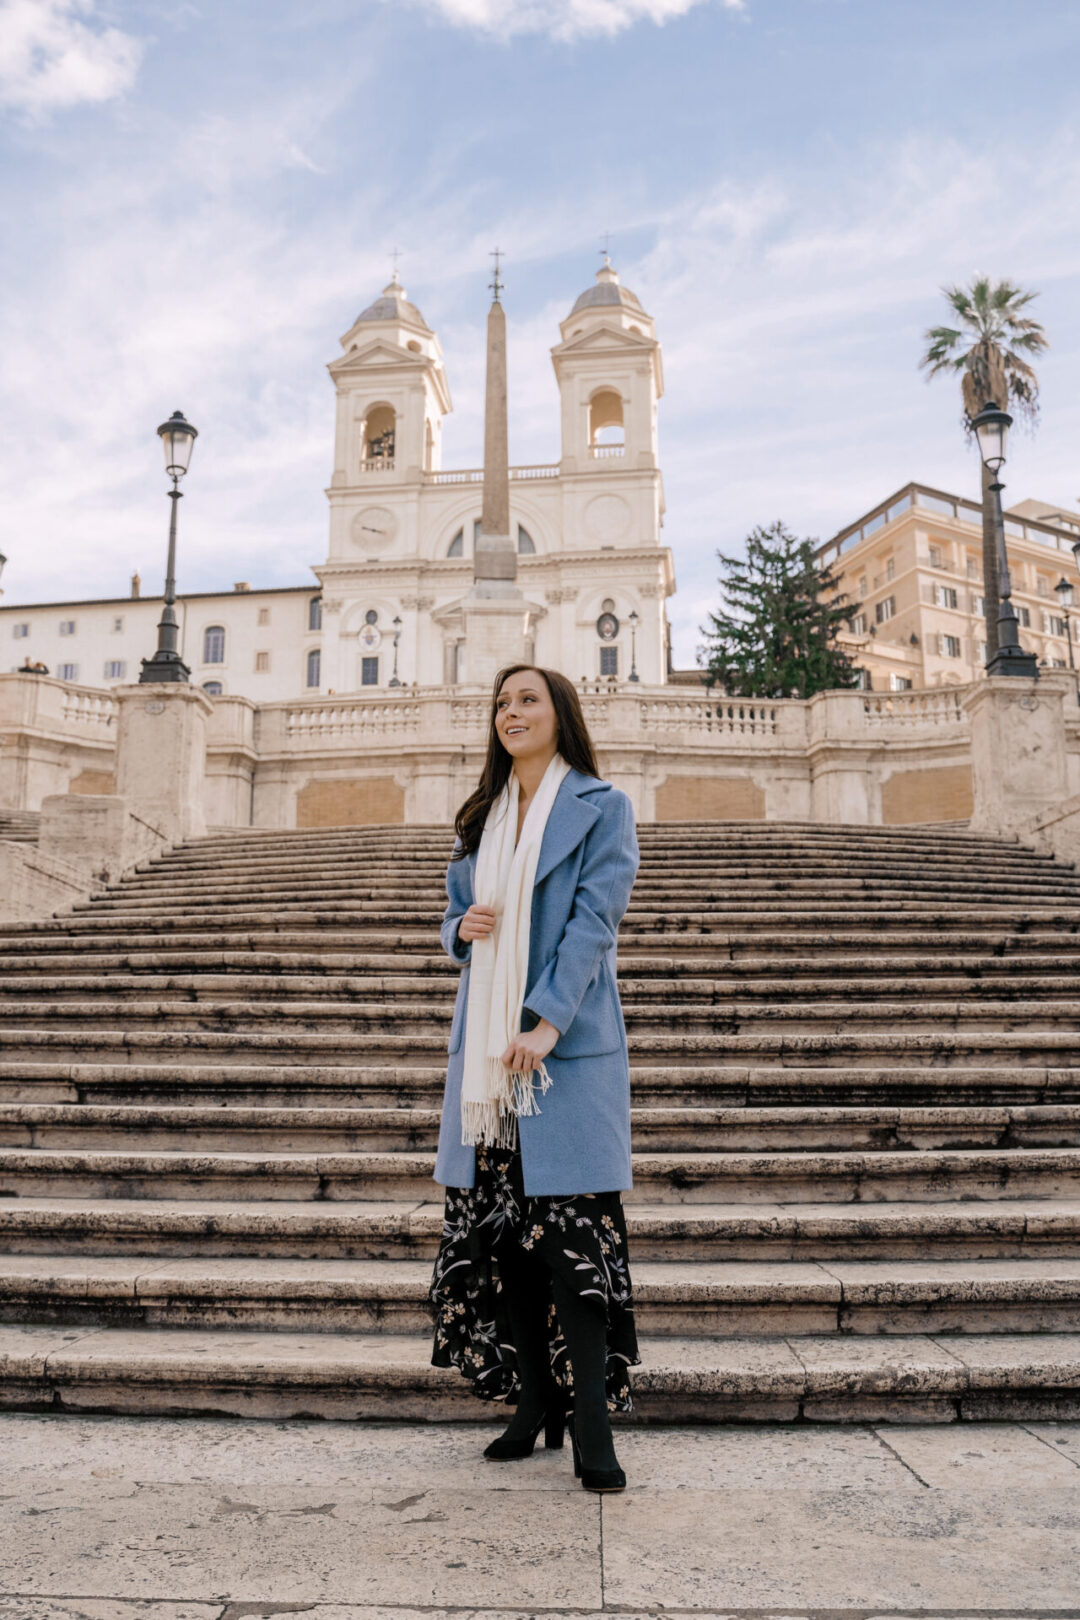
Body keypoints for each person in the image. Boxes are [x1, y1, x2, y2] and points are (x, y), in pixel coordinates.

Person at [429, 662, 640, 1493]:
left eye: (527, 700)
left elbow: (596, 920)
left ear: (561, 714)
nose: (510, 712)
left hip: (564, 1048)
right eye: (502, 703)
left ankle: (591, 1419)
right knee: (506, 1240)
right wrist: (459, 927)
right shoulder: (483, 815)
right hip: (485, 1057)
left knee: (574, 1246)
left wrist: (545, 1020)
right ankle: (532, 1404)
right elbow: (455, 914)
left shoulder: (601, 806)